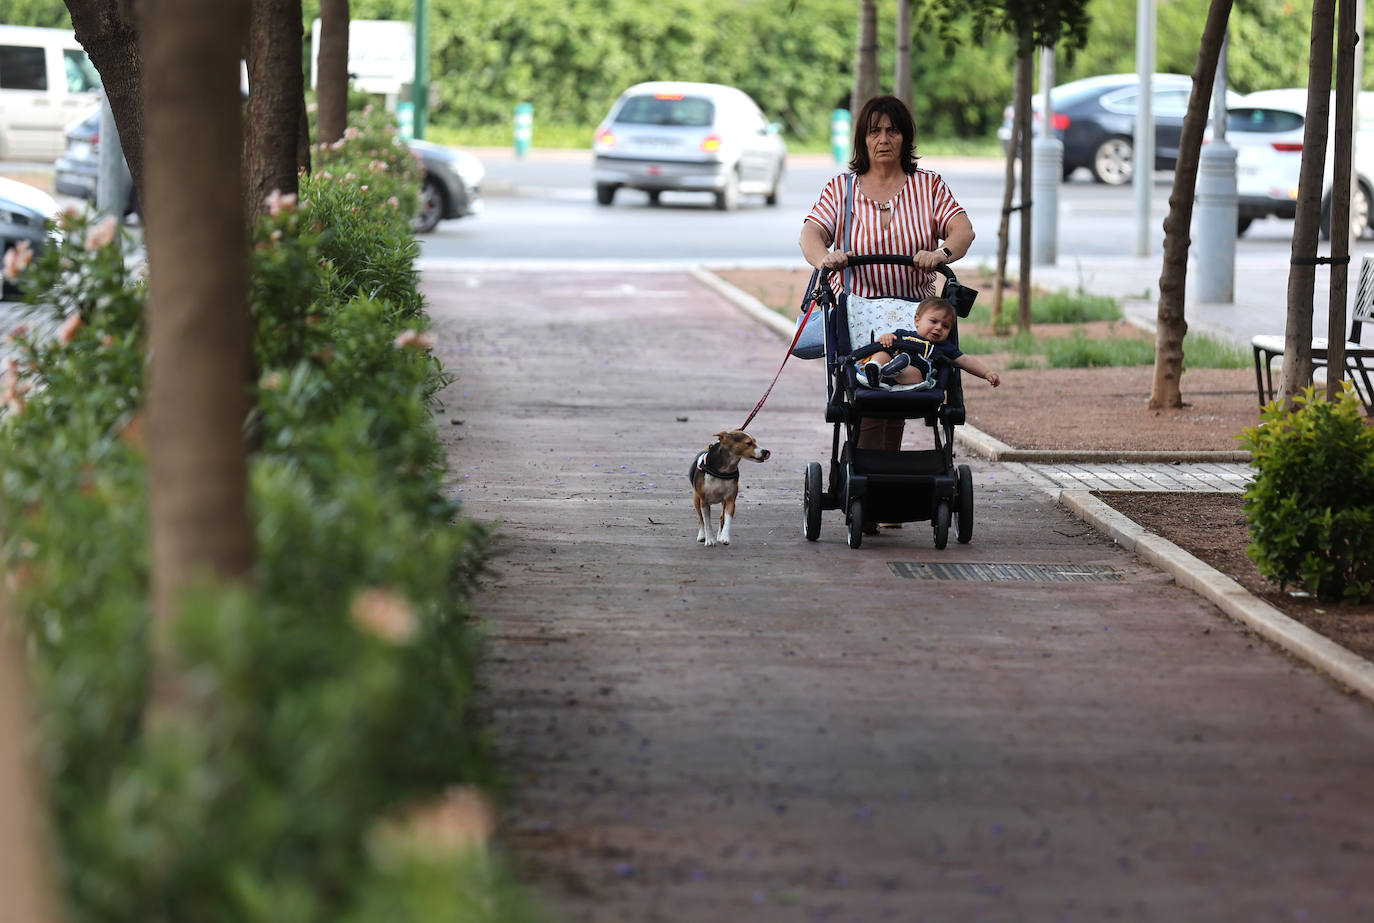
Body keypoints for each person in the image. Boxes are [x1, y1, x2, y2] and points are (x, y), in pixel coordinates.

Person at [798, 94, 975, 452]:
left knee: (896, 394)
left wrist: (939, 253)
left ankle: (877, 470)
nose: (883, 139)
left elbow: (963, 230)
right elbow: (811, 233)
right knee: (867, 392)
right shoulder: (842, 188)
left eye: (892, 131)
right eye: (874, 131)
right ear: (862, 138)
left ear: (905, 138)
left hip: (913, 312)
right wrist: (825, 259)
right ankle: (869, 468)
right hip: (857, 313)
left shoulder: (929, 186)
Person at [851, 296, 1000, 391]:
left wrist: (986, 373)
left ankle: (894, 370)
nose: (938, 328)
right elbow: (882, 341)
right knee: (883, 351)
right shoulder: (903, 334)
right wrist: (885, 337)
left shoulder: (943, 346)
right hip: (891, 359)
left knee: (917, 374)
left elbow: (965, 360)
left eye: (945, 326)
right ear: (917, 320)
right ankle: (874, 367)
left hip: (913, 369)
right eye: (933, 321)